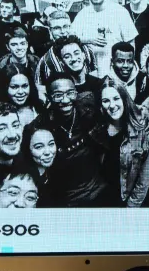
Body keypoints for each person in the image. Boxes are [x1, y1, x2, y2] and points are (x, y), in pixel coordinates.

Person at [25, 71, 104, 207]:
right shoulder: (40, 127)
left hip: (97, 190)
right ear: (48, 97)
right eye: (58, 95)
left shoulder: (88, 109)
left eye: (70, 93)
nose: (66, 100)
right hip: (65, 199)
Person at [89, 78, 149, 207]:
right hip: (104, 197)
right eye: (106, 101)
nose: (112, 105)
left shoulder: (142, 130)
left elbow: (145, 177)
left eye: (116, 98)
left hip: (130, 199)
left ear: (124, 99)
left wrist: (131, 206)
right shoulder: (98, 130)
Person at [69, 0, 138, 78]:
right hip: (91, 75)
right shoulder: (82, 15)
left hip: (116, 74)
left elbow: (131, 44)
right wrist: (89, 40)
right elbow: (71, 40)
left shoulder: (120, 12)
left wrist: (126, 69)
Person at [35, 36, 102, 104]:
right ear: (61, 62)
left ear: (83, 55)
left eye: (76, 53)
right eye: (67, 56)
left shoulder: (98, 84)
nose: (74, 59)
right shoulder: (60, 89)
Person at [17, 127, 57, 206]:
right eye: (39, 147)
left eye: (51, 144)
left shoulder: (56, 170)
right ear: (28, 149)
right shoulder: (24, 181)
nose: (47, 152)